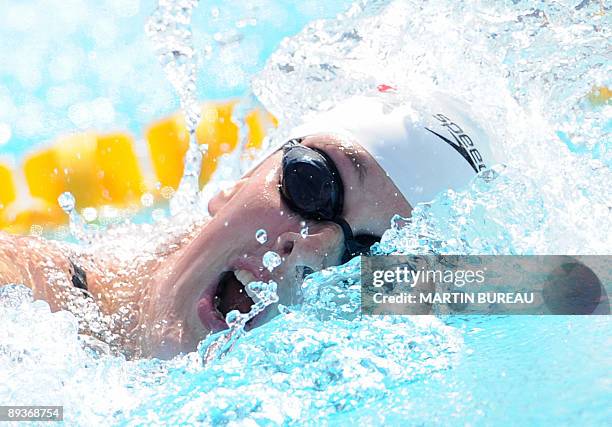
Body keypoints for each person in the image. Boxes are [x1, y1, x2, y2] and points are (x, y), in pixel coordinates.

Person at [0, 87, 496, 358]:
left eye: (367, 254)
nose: (313, 248)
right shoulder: (22, 298)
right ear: (240, 179)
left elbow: (566, 283)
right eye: (313, 185)